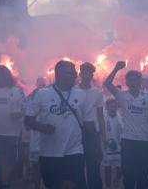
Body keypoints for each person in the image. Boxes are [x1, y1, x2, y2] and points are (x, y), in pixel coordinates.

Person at [104, 61, 148, 189]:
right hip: (127, 141)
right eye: (129, 80)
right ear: (126, 82)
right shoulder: (122, 95)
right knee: (128, 175)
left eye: (135, 80)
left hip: (144, 141)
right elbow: (107, 83)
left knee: (142, 175)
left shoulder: (147, 97)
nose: (132, 82)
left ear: (139, 82)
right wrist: (116, 68)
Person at [25, 60, 87, 189]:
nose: (75, 76)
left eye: (75, 73)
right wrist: (42, 127)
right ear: (59, 74)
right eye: (71, 73)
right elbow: (28, 120)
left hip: (74, 151)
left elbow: (87, 123)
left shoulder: (81, 94)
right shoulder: (42, 94)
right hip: (50, 153)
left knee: (73, 185)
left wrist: (94, 147)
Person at [78, 62, 105, 189]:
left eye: (90, 72)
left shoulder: (97, 93)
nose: (88, 75)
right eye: (85, 72)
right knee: (77, 165)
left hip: (93, 133)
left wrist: (103, 138)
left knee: (93, 166)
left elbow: (100, 116)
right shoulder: (73, 91)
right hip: (77, 133)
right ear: (80, 74)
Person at [27, 77, 47, 189]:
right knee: (36, 166)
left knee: (47, 167)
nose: (41, 88)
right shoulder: (31, 99)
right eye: (39, 85)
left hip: (48, 142)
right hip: (35, 141)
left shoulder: (50, 99)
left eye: (43, 85)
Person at [102, 98, 123, 189]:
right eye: (111, 107)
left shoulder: (120, 117)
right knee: (107, 168)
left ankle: (116, 181)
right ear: (106, 107)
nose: (113, 108)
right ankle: (107, 186)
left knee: (120, 168)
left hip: (119, 147)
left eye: (115, 106)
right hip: (106, 148)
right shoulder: (103, 118)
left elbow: (123, 131)